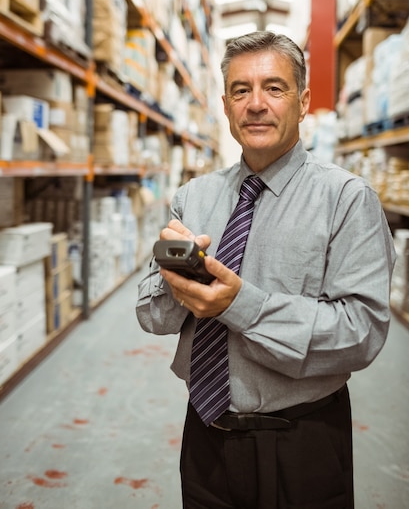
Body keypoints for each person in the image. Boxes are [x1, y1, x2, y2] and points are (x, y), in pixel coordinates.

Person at [136, 31, 395, 509]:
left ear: (303, 102)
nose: (256, 104)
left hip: (303, 442)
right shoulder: (194, 197)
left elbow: (363, 334)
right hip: (205, 436)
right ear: (226, 104)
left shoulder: (346, 200)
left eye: (274, 88)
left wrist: (240, 305)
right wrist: (178, 283)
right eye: (241, 90)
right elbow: (150, 316)